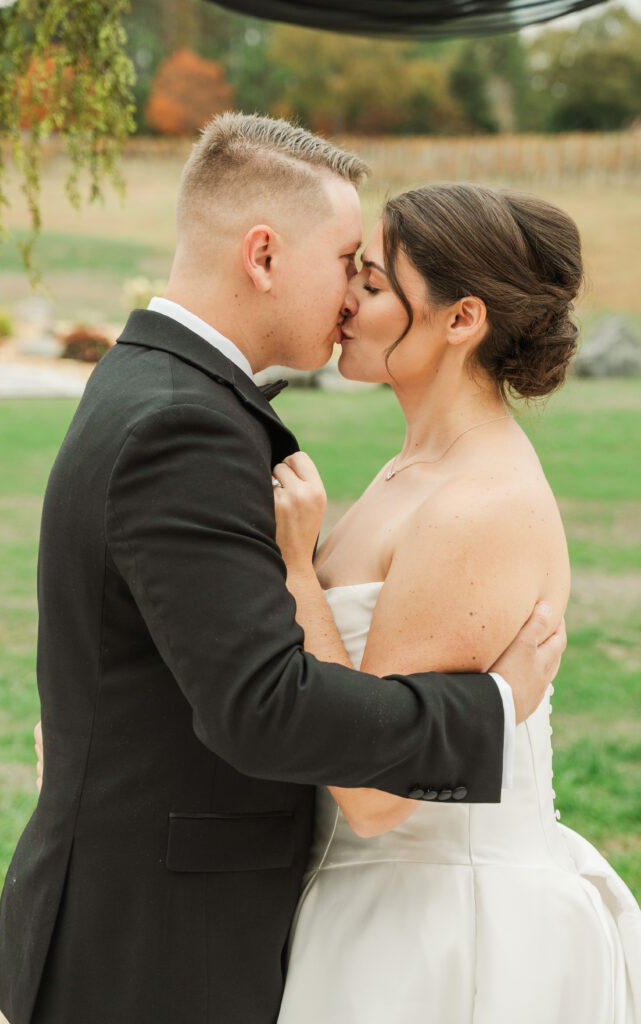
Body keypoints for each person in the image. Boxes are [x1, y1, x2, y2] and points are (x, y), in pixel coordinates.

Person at [0, 116, 564, 1024]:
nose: (348, 296)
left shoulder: (148, 383)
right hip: (160, 951)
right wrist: (491, 710)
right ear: (262, 256)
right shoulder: (185, 422)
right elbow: (265, 706)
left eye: (370, 278)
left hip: (306, 927)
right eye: (347, 262)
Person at [272, 183, 641, 1024]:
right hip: (367, 907)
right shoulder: (408, 469)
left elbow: (377, 793)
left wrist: (297, 570)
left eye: (371, 285)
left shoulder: (478, 502)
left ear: (459, 318)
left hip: (446, 941)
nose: (345, 304)